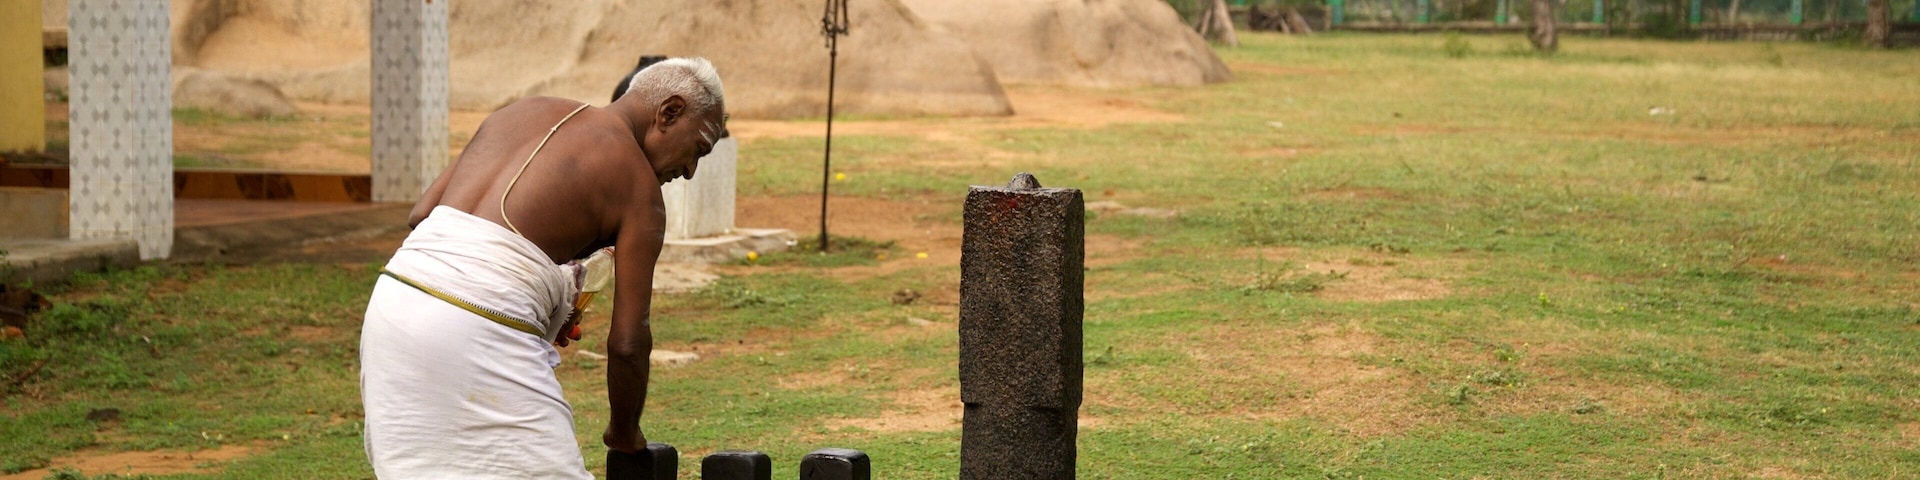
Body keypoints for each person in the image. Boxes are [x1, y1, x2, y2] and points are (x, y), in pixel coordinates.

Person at [360, 57, 727, 479]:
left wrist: (537, 288)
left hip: (393, 304)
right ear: (670, 111)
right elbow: (628, 344)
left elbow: (423, 213)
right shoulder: (640, 191)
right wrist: (624, 432)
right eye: (698, 149)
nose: (690, 172)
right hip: (475, 329)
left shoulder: (523, 110)